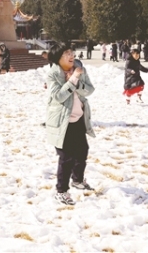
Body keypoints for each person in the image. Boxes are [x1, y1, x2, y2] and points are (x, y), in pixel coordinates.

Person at [45, 43, 96, 206]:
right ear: (58, 58)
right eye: (66, 53)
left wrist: (77, 81)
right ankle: (61, 191)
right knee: (66, 158)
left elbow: (89, 90)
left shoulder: (80, 68)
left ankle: (77, 180)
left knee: (82, 151)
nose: (71, 55)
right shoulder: (53, 75)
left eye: (71, 52)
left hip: (79, 117)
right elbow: (59, 97)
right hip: (61, 121)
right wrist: (73, 80)